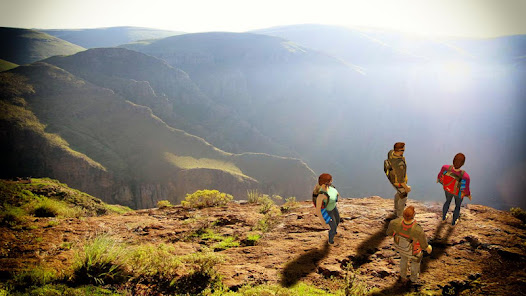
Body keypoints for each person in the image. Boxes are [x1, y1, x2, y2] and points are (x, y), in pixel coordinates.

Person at [386, 206, 432, 284]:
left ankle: (403, 275)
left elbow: (389, 234)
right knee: (415, 261)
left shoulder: (394, 223)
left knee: (403, 259)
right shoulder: (417, 230)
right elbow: (424, 246)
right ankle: (413, 278)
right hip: (412, 251)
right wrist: (429, 248)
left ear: (403, 215)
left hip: (400, 247)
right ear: (413, 215)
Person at [437, 153, 472, 225]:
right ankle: (453, 222)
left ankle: (443, 218)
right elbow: (465, 189)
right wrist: (468, 195)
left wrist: (438, 180)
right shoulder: (465, 176)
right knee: (457, 206)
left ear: (453, 160)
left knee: (447, 202)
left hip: (448, 189)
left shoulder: (445, 168)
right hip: (458, 193)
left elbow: (439, 176)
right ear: (463, 163)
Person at [384, 142, 411, 217]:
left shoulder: (391, 153)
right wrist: (406, 187)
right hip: (398, 183)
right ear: (399, 151)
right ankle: (400, 216)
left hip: (392, 179)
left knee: (398, 193)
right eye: (402, 150)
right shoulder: (399, 165)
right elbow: (401, 180)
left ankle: (396, 209)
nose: (403, 152)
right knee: (403, 197)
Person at [313, 173, 340, 244]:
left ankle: (334, 231)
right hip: (327, 211)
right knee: (333, 227)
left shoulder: (332, 188)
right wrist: (323, 222)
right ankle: (331, 240)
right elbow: (318, 210)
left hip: (334, 208)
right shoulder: (321, 195)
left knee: (337, 220)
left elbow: (336, 194)